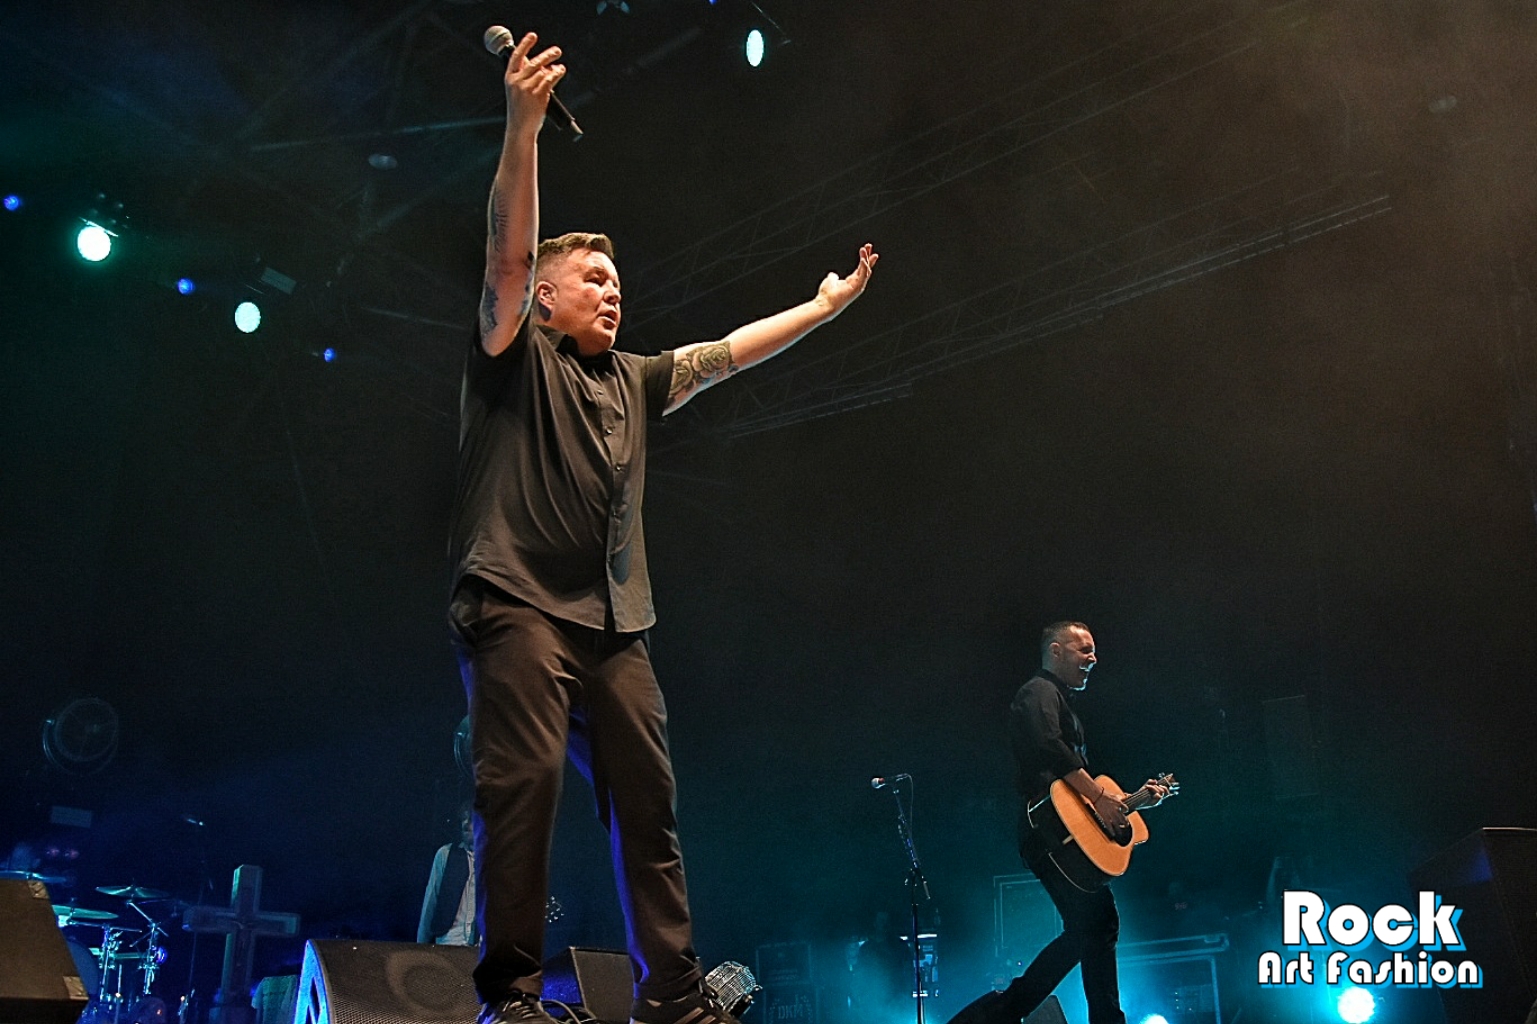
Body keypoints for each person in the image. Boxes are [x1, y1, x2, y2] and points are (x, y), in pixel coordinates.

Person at [447, 30, 878, 1024]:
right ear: (546, 298)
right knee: (523, 794)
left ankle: (673, 1000)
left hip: (614, 622)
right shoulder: (512, 352)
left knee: (648, 805)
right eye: (592, 279)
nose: (613, 290)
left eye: (617, 279)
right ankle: (509, 998)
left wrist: (819, 309)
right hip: (516, 603)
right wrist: (521, 128)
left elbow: (725, 353)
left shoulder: (635, 380)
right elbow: (506, 253)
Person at [946, 622, 1168, 1024]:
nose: (1093, 659)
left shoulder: (1062, 700)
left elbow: (1078, 792)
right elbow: (1049, 747)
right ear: (1055, 651)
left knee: (1092, 926)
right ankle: (1008, 1012)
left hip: (1060, 829)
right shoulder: (1038, 692)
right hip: (1047, 831)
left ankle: (1003, 1013)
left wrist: (1131, 802)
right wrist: (1099, 797)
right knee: (1096, 923)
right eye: (1084, 650)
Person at [418, 803, 476, 946]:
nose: (466, 824)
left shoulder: (495, 860)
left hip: (481, 945)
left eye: (470, 819)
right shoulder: (446, 854)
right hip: (450, 941)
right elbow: (431, 901)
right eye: (463, 819)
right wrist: (420, 946)